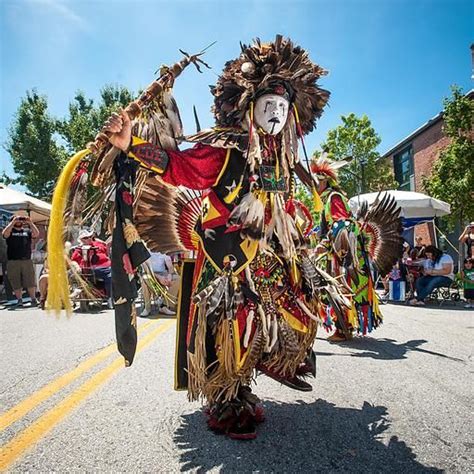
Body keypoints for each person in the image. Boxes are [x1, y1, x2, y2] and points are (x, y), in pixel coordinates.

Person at [47, 36, 358, 439]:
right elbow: (178, 168)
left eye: (283, 108)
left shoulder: (284, 161)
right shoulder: (225, 153)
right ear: (248, 109)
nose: (276, 114)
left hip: (275, 251)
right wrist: (130, 145)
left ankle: (277, 362)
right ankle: (227, 397)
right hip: (226, 255)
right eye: (268, 106)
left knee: (297, 303)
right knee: (230, 326)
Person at [310, 156, 403, 341]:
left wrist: (325, 244)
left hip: (347, 258)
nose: (314, 187)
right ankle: (345, 327)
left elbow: (343, 225)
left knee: (341, 289)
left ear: (324, 182)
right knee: (337, 289)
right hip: (343, 255)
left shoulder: (334, 198)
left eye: (316, 182)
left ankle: (343, 330)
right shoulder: (329, 200)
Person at [2, 215, 39, 307]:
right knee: (15, 280)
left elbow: (36, 234)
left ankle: (33, 299)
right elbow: (5, 234)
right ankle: (19, 300)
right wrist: (13, 222)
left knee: (30, 280)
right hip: (13, 260)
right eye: (17, 220)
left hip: (26, 259)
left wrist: (30, 222)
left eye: (20, 220)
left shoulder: (27, 231)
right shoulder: (10, 230)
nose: (19, 221)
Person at [70, 229, 113, 308]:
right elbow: (73, 260)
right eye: (86, 238)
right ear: (81, 240)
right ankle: (109, 298)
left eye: (90, 237)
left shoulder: (98, 244)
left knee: (114, 272)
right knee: (110, 275)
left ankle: (112, 297)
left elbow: (106, 245)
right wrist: (77, 266)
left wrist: (97, 239)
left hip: (107, 266)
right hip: (91, 269)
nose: (89, 239)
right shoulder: (79, 249)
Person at [141, 251, 176, 317]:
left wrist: (169, 275)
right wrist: (159, 277)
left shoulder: (163, 249)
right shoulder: (145, 249)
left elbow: (170, 266)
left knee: (177, 279)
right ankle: (148, 308)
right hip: (150, 273)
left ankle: (165, 306)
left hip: (163, 273)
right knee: (145, 278)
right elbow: (146, 269)